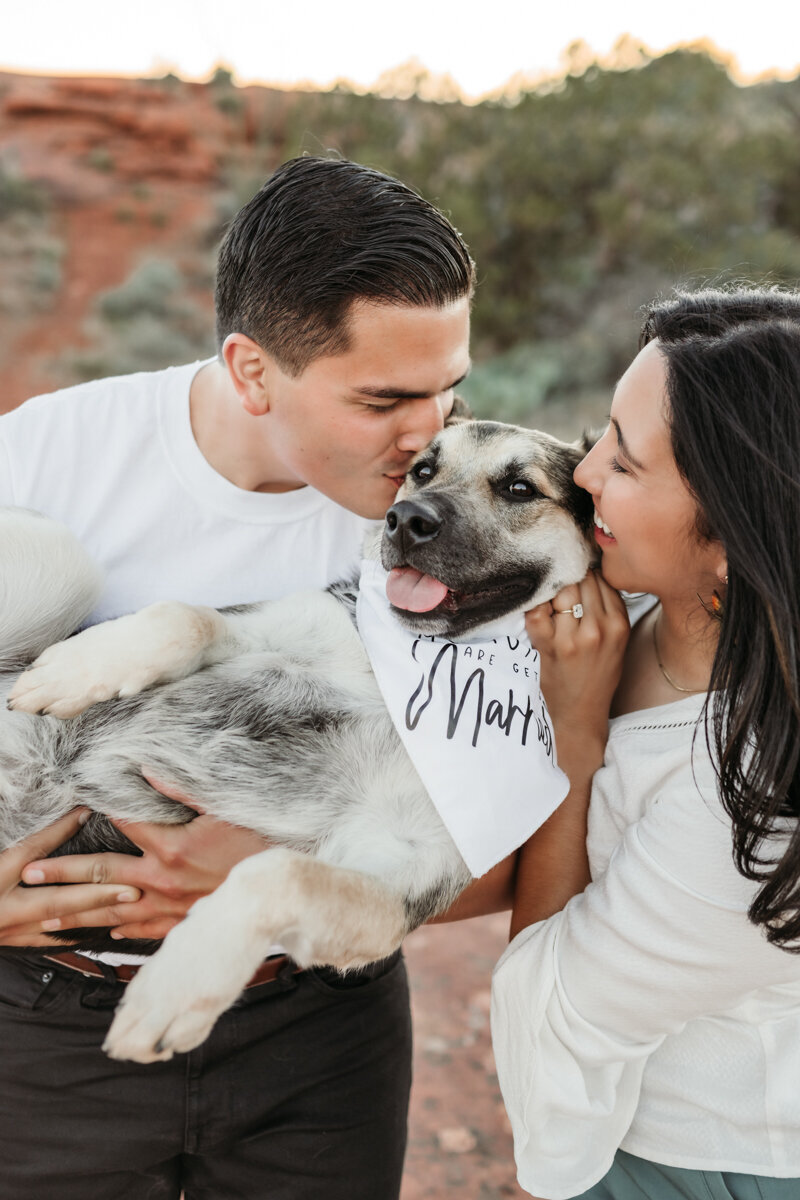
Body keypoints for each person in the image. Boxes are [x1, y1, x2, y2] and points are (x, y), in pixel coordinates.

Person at [0, 154, 492, 1200]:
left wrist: (266, 882)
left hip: (320, 1034)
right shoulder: (47, 461)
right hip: (40, 1036)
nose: (430, 442)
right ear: (252, 369)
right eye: (386, 401)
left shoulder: (464, 525)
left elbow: (499, 836)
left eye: (452, 391)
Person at [491, 286, 800, 1200]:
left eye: (624, 463)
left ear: (731, 544)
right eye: (602, 434)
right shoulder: (616, 608)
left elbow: (548, 1005)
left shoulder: (754, 798)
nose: (583, 474)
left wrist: (573, 737)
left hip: (705, 1165)